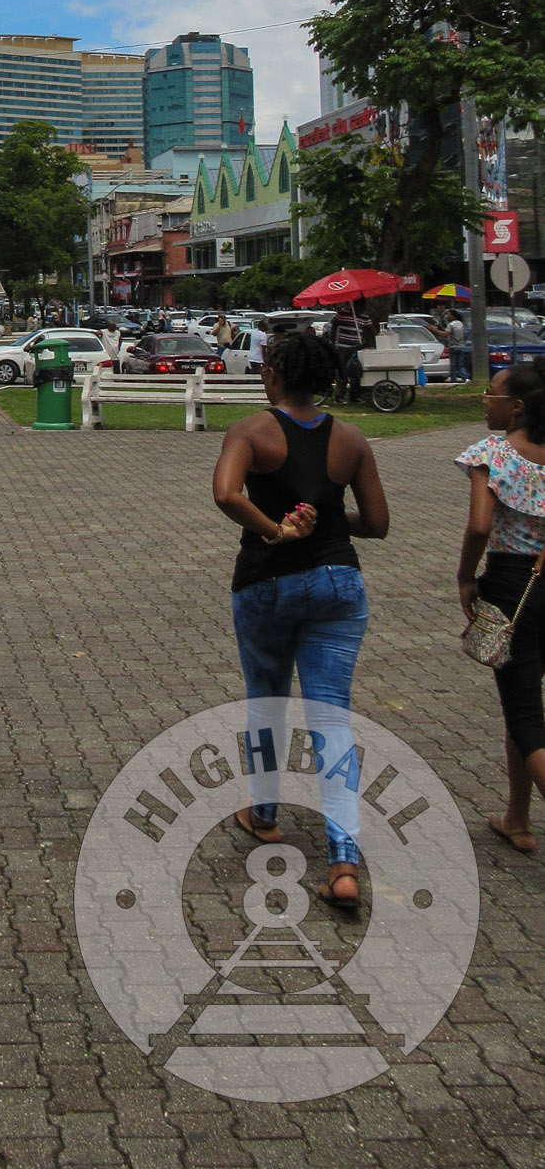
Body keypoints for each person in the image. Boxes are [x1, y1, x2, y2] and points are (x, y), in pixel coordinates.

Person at [212, 329, 389, 909]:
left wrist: (277, 528)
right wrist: (328, 522)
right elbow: (378, 523)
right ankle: (343, 860)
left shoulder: (253, 430)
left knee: (266, 700)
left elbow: (224, 492)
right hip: (339, 583)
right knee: (330, 717)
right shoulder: (351, 438)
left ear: (274, 375)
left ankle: (264, 813)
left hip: (267, 583)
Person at [454, 362, 545, 853]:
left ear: (518, 407)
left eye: (492, 394)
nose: (485, 400)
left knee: (527, 715)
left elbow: (479, 527)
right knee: (523, 703)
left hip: (514, 585)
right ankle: (517, 818)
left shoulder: (492, 454)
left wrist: (467, 576)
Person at [446, 312, 469, 384]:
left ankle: (454, 380)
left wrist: (434, 330)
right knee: (460, 365)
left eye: (448, 315)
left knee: (453, 365)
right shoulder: (460, 324)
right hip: (461, 346)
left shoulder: (450, 325)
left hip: (453, 347)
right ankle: (465, 378)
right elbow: (464, 335)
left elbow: (445, 334)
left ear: (452, 316)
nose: (446, 317)